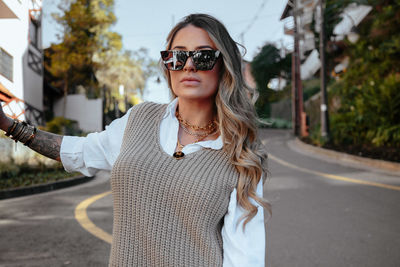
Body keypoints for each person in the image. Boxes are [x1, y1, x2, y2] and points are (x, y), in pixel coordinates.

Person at [0, 13, 270, 267]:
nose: (188, 65)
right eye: (176, 56)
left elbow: (245, 257)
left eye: (203, 56)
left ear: (224, 66)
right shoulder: (139, 119)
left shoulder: (239, 153)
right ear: (167, 65)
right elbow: (80, 152)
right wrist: (8, 125)